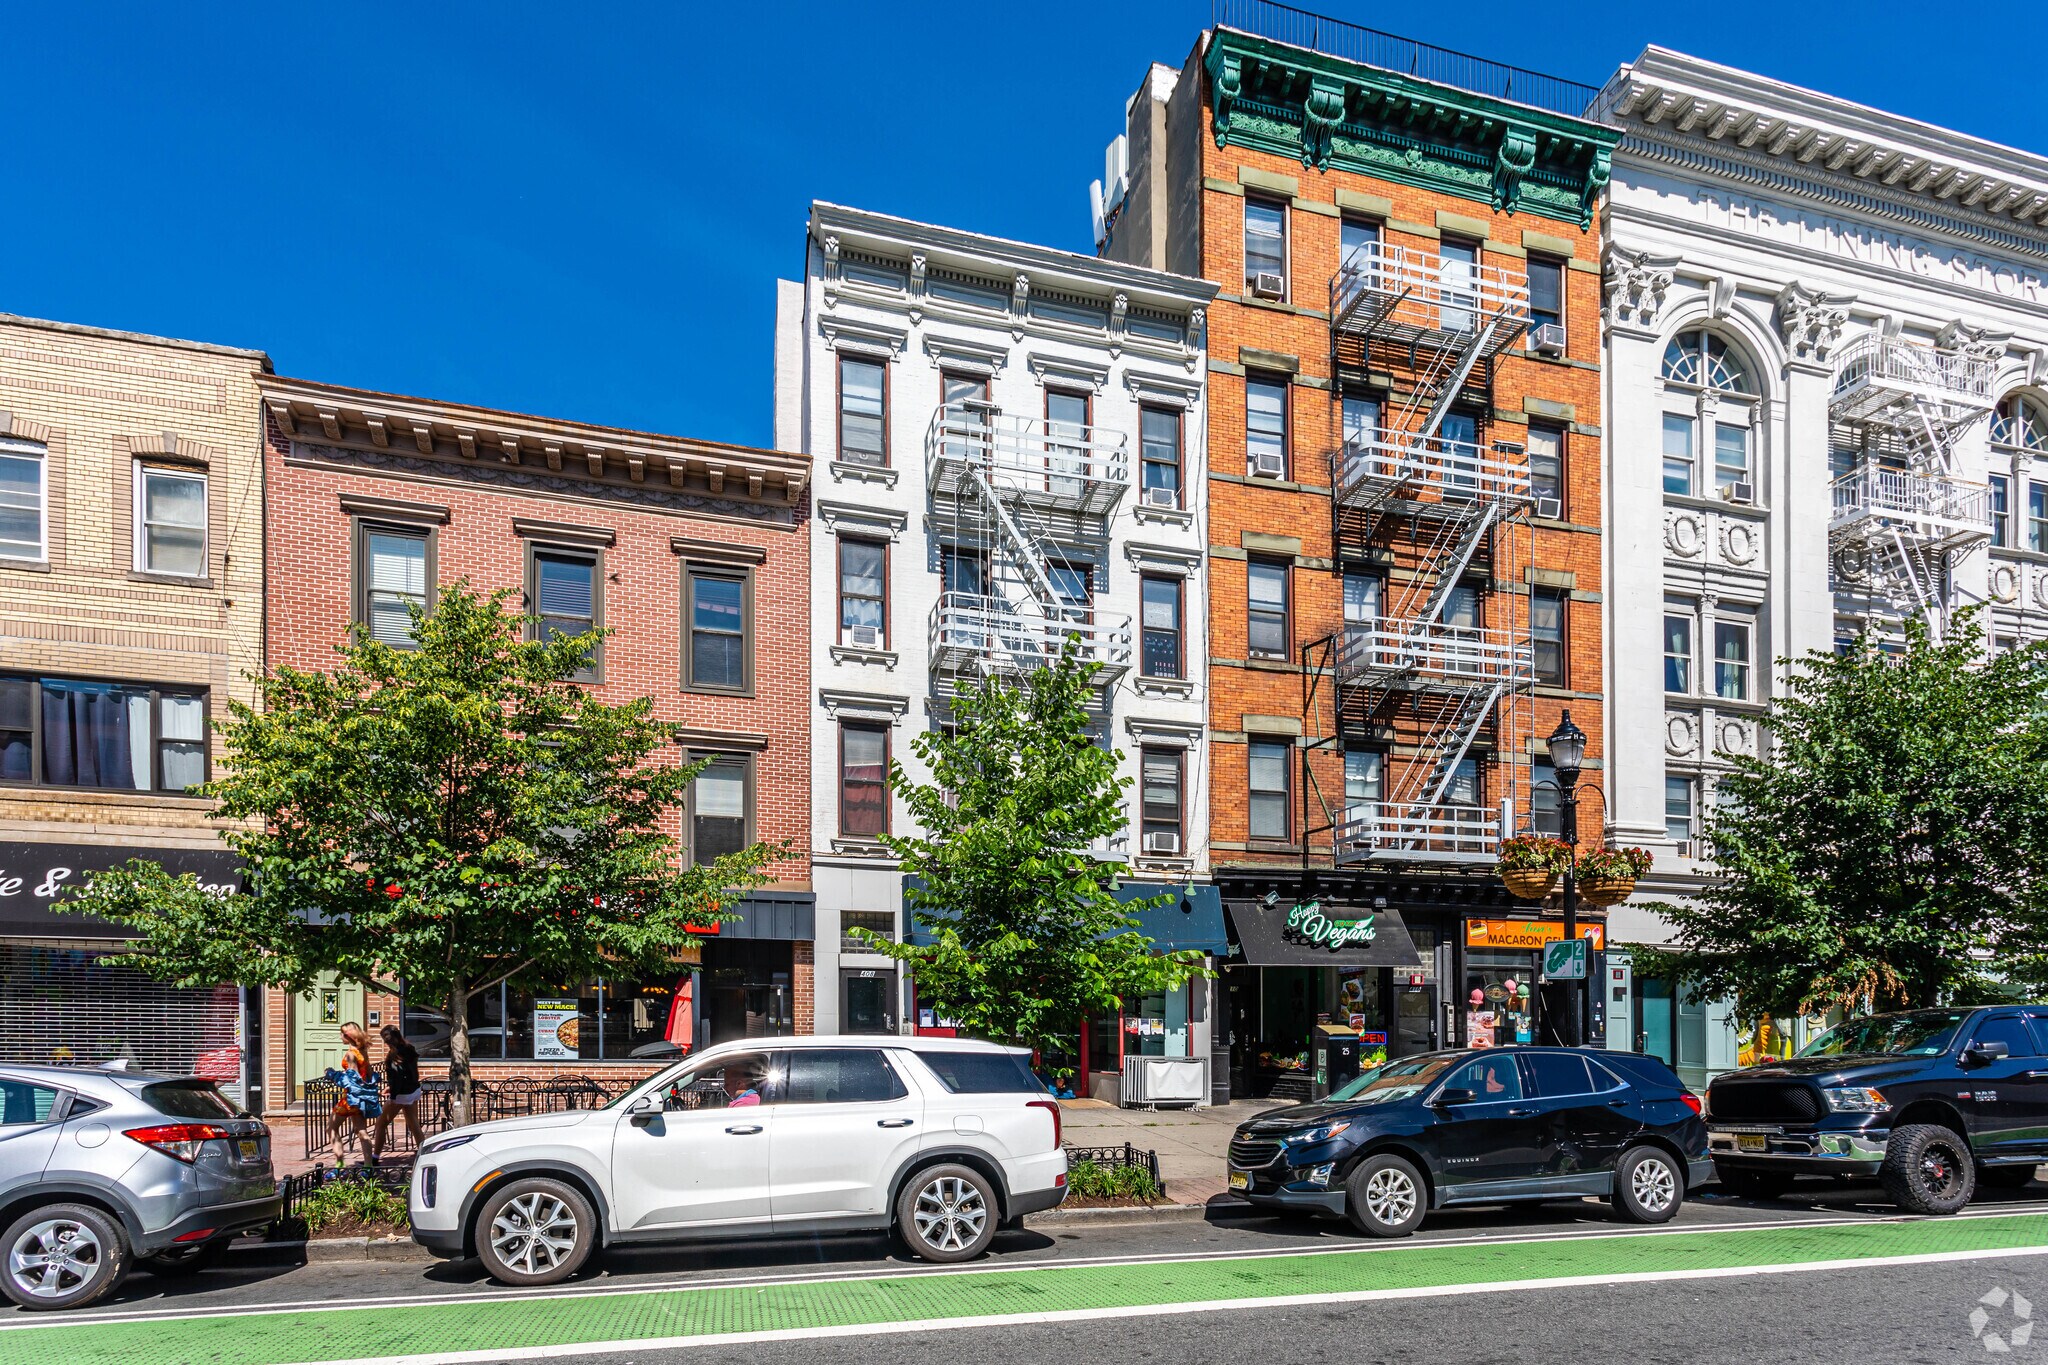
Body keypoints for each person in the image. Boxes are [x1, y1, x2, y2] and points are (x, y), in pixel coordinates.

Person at [324, 1022, 381, 1166]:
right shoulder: (362, 1051)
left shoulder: (350, 1054)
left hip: (350, 1099)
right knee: (361, 1131)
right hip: (361, 1099)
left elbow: (351, 1080)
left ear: (347, 1036)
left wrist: (331, 1074)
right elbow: (366, 1075)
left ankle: (339, 1164)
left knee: (331, 1127)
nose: (340, 1036)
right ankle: (368, 1167)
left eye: (341, 1034)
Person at [371, 1025, 422, 1160]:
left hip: (401, 1094)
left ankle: (375, 1157)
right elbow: (409, 1073)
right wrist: (391, 1087)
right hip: (413, 1089)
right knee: (413, 1124)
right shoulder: (409, 1048)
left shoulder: (395, 1054)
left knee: (381, 1123)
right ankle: (424, 1153)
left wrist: (393, 1094)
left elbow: (399, 1076)